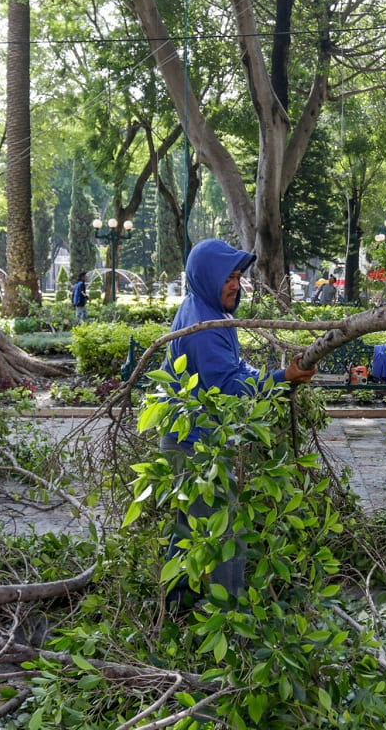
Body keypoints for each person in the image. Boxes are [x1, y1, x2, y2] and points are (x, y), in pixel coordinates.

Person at [161, 239, 315, 606]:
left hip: (189, 442)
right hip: (197, 449)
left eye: (238, 277)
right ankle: (228, 619)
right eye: (227, 277)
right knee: (226, 532)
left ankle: (176, 610)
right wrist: (281, 380)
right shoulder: (204, 324)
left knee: (189, 530)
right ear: (207, 277)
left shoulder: (207, 310)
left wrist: (279, 378)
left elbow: (235, 371)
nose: (236, 285)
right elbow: (229, 386)